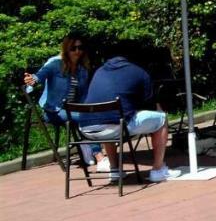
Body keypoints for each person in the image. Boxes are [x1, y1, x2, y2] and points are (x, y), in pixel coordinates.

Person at [81, 47, 176, 182]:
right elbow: (151, 104)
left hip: (86, 128)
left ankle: (115, 170)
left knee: (109, 118)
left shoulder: (99, 71)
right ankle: (158, 169)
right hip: (115, 126)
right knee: (161, 118)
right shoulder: (138, 71)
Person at [23, 33, 105, 170]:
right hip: (54, 111)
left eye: (80, 48)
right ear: (66, 49)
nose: (77, 51)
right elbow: (40, 75)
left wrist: (90, 108)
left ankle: (86, 141)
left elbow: (84, 95)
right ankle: (99, 156)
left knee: (93, 114)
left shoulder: (82, 69)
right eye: (73, 48)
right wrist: (33, 80)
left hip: (74, 109)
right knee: (86, 118)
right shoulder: (55, 64)